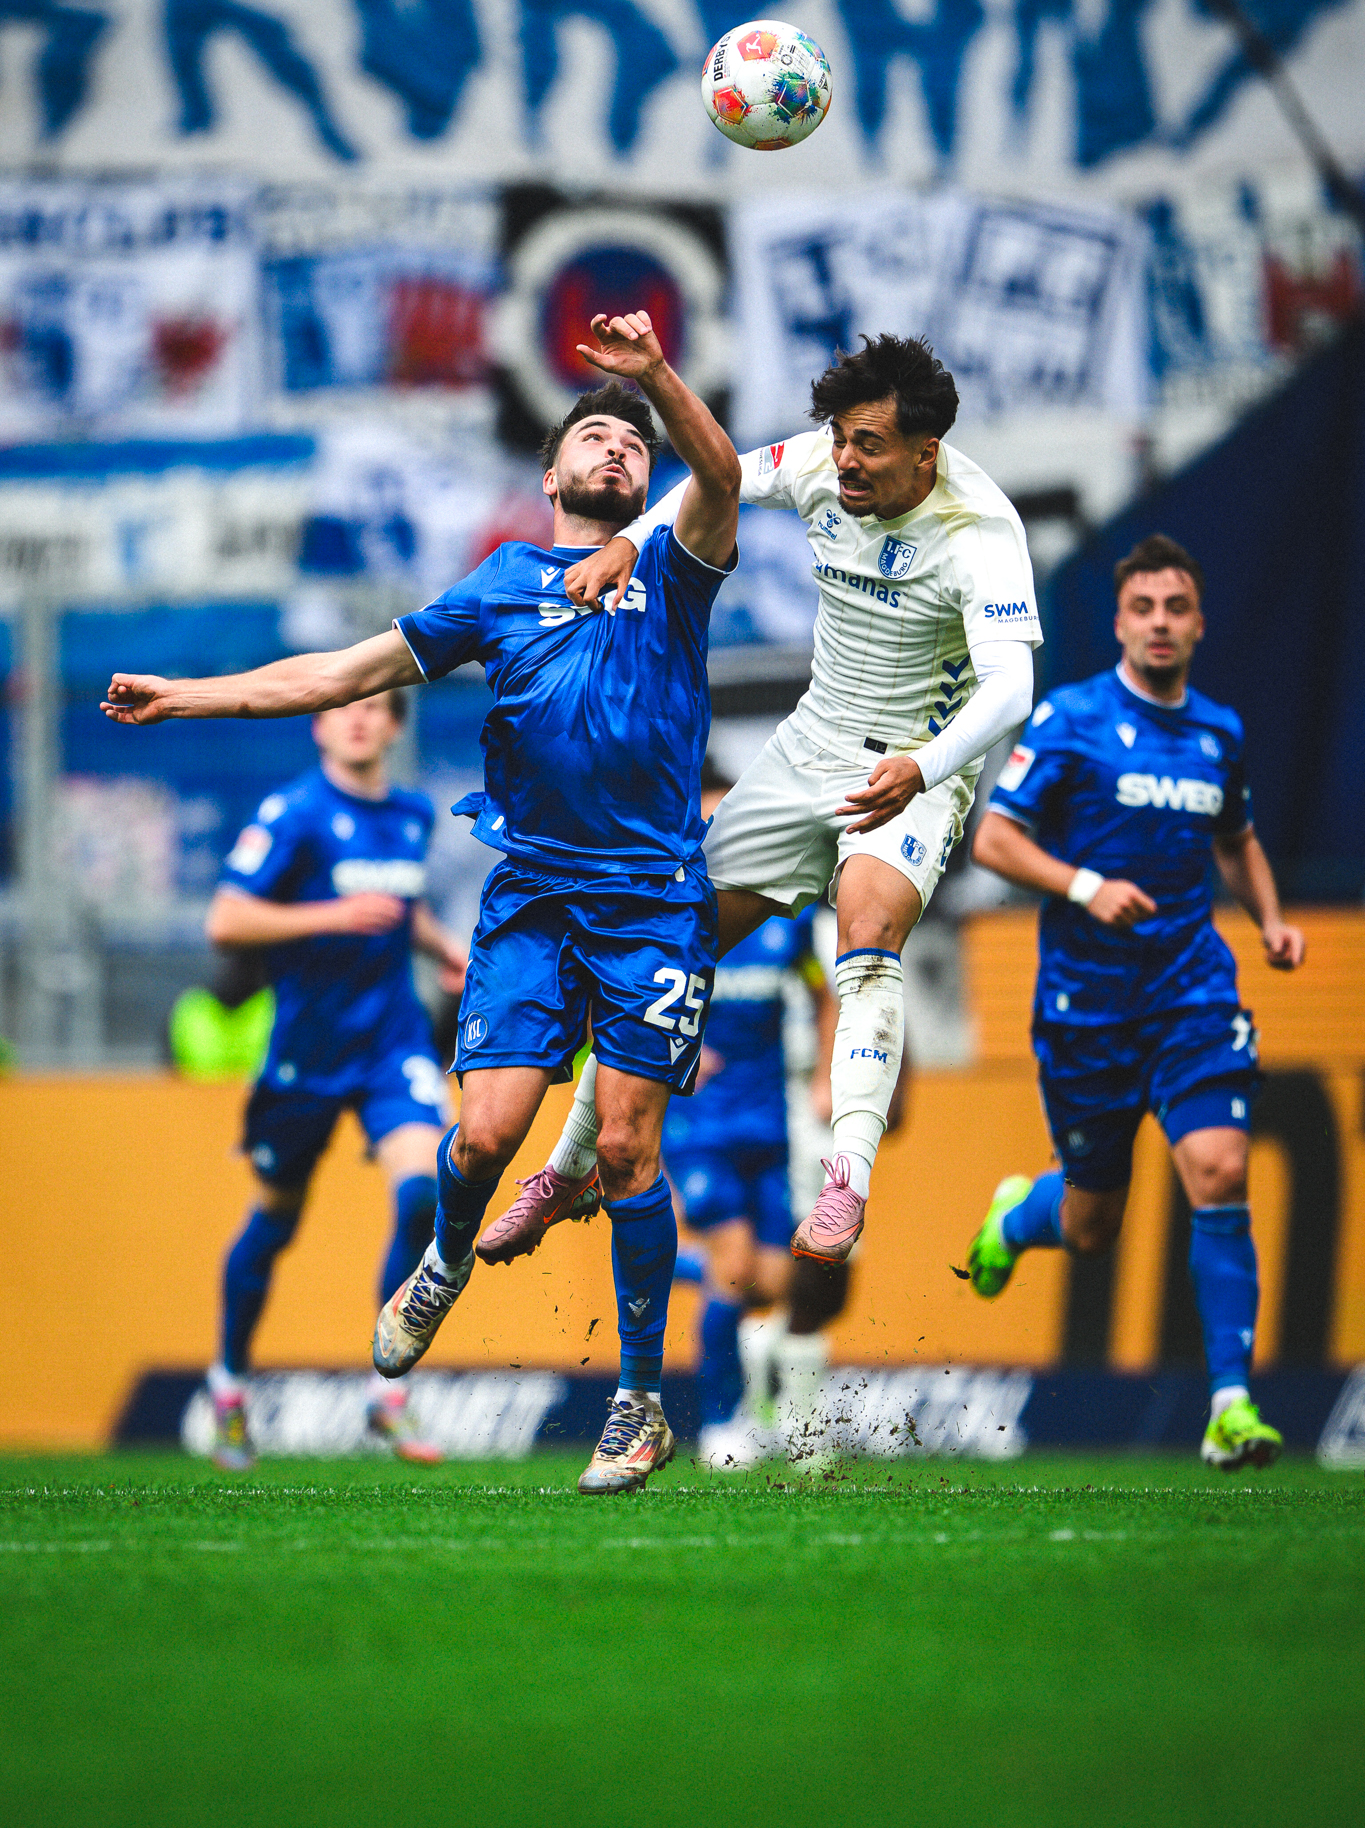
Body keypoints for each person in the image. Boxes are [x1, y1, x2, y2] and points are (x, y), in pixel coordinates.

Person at [104, 310, 741, 1497]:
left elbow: (722, 474)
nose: (619, 448)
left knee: (624, 1144)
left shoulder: (675, 562)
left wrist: (655, 373)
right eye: (595, 436)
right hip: (532, 897)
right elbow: (339, 672)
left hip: (654, 898)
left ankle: (640, 1401)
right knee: (487, 1136)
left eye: (634, 444)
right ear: (549, 475)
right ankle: (444, 1259)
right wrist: (187, 694)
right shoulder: (500, 584)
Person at [484, 333, 1040, 1267]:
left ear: (925, 453)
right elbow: (717, 478)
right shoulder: (820, 460)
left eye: (868, 445)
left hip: (911, 765)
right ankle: (567, 1169)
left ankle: (844, 1181)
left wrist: (925, 767)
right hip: (807, 747)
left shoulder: (978, 532)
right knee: (672, 943)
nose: (845, 460)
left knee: (867, 931)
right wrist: (626, 542)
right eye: (841, 438)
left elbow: (1010, 690)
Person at [960, 534, 1305, 1471]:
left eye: (1175, 608)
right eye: (1142, 607)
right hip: (1087, 1010)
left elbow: (1235, 836)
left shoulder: (1217, 732)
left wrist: (1270, 920)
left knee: (1219, 1170)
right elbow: (994, 840)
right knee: (1090, 1226)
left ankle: (1229, 1404)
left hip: (1191, 995)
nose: (1159, 622)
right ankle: (1015, 1216)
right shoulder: (1070, 718)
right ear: (1118, 624)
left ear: (1198, 625)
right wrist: (1083, 886)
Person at [200, 692, 466, 1470]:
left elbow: (398, 909)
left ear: (393, 726)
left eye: (376, 708)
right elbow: (225, 920)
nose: (358, 719)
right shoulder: (293, 813)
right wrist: (329, 916)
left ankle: (387, 1395)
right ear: (318, 724)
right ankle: (229, 1388)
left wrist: (443, 947)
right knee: (275, 1222)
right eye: (344, 708)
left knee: (421, 1194)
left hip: (392, 1044)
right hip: (305, 1054)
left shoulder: (411, 814)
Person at [657, 761, 838, 1471]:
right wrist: (672, 1052)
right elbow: (608, 1004)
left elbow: (823, 997)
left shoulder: (779, 919)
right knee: (734, 1272)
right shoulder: (669, 918)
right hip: (699, 1127)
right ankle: (721, 1423)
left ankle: (669, 1262)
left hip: (770, 1125)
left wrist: (824, 1078)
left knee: (772, 1283)